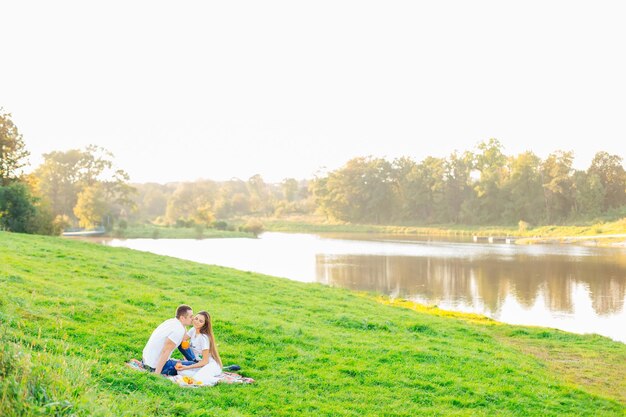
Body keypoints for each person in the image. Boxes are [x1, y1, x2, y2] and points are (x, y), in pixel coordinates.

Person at [173, 310, 223, 385]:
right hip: (200, 364)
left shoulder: (203, 338)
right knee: (180, 371)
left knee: (197, 379)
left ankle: (221, 380)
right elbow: (183, 339)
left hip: (211, 365)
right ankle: (202, 376)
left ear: (204, 324)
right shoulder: (193, 330)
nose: (197, 322)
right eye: (196, 318)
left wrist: (187, 367)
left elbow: (205, 361)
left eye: (201, 321)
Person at [142, 304, 193, 375]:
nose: (193, 319)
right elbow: (165, 351)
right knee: (196, 365)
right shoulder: (178, 330)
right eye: (190, 317)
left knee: (195, 361)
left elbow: (183, 342)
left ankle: (194, 359)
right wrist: (157, 373)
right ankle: (195, 361)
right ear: (182, 318)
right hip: (156, 366)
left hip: (146, 361)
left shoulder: (172, 322)